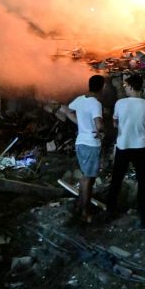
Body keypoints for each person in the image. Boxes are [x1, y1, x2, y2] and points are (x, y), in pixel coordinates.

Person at [106, 73, 145, 227]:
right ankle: (141, 215)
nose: (125, 89)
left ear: (132, 87)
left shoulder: (120, 103)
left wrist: (121, 125)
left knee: (116, 180)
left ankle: (110, 211)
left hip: (123, 146)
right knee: (143, 182)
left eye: (126, 86)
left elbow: (114, 123)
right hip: (141, 146)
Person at [63, 74, 105, 222]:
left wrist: (79, 123)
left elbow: (67, 110)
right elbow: (98, 124)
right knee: (89, 179)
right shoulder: (95, 103)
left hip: (80, 142)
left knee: (86, 176)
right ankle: (85, 213)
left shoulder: (79, 100)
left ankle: (80, 205)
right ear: (102, 87)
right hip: (91, 144)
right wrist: (102, 132)